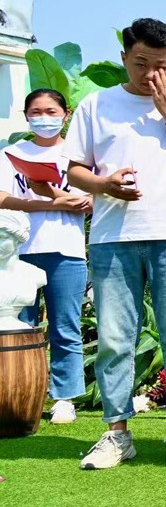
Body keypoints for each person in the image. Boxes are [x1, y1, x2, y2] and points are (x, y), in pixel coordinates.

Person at [64, 18, 166, 469]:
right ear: (124, 58)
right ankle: (117, 433)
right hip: (112, 237)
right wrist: (104, 184)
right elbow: (74, 169)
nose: (151, 74)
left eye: (161, 66)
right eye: (141, 63)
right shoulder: (96, 104)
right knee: (114, 338)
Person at [2, 89, 91, 424]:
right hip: (17, 252)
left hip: (66, 250)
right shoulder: (12, 154)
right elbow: (2, 198)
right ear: (26, 116)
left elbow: (90, 201)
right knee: (18, 325)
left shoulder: (78, 155)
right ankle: (19, 391)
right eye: (36, 112)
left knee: (65, 326)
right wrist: (52, 203)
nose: (44, 118)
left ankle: (64, 397)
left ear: (66, 114)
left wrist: (56, 200)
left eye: (51, 111)